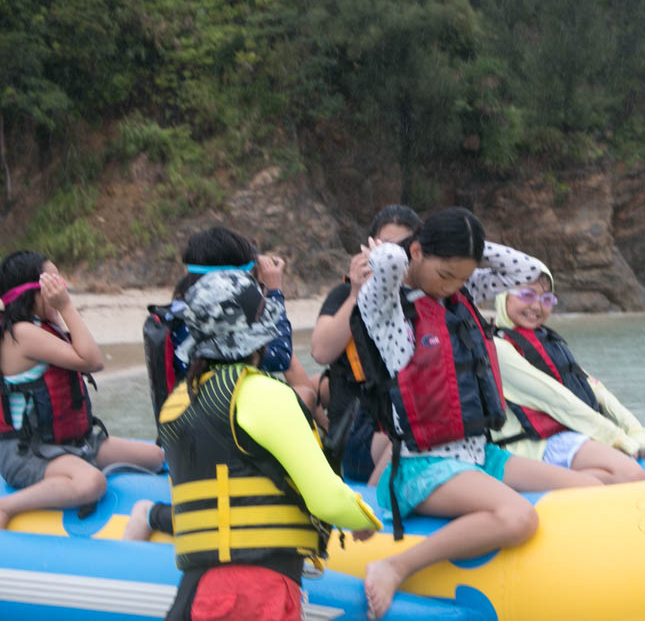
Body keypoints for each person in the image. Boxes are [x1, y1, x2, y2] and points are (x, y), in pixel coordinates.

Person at [352, 207, 600, 619]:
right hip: (421, 466)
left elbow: (530, 269)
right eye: (446, 275)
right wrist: (393, 252)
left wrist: (469, 243)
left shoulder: (457, 294)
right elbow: (392, 263)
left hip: (479, 456)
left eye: (464, 278)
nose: (454, 287)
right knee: (518, 517)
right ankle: (394, 566)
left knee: (589, 490)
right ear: (416, 252)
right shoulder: (386, 307)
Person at [158, 270, 380, 620]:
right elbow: (326, 498)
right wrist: (363, 519)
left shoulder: (176, 402)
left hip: (194, 591)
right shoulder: (263, 394)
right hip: (254, 592)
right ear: (257, 335)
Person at [127, 226, 322, 540]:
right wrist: (273, 291)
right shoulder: (217, 320)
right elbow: (280, 355)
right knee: (302, 395)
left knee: (305, 390)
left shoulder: (184, 309)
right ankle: (152, 514)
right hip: (218, 439)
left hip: (191, 436)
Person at [490, 266, 645, 483]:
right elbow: (557, 400)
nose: (536, 306)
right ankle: (550, 486)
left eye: (546, 299)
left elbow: (598, 392)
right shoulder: (496, 348)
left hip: (579, 431)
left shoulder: (547, 341)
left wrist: (636, 432)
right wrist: (618, 439)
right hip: (536, 445)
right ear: (503, 294)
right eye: (527, 295)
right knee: (629, 474)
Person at [0, 251, 164, 528]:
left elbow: (82, 352)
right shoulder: (22, 335)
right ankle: (6, 506)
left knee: (155, 457)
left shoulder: (43, 327)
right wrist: (65, 307)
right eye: (54, 282)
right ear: (34, 292)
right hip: (26, 451)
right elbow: (92, 360)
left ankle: (73, 467)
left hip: (70, 442)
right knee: (92, 482)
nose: (61, 287)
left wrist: (59, 312)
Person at [311, 205, 421, 485]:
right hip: (360, 430)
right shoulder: (344, 295)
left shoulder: (424, 300)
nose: (394, 255)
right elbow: (321, 351)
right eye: (385, 246)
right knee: (419, 433)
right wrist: (358, 293)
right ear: (368, 250)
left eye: (404, 247)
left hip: (407, 420)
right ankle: (374, 497)